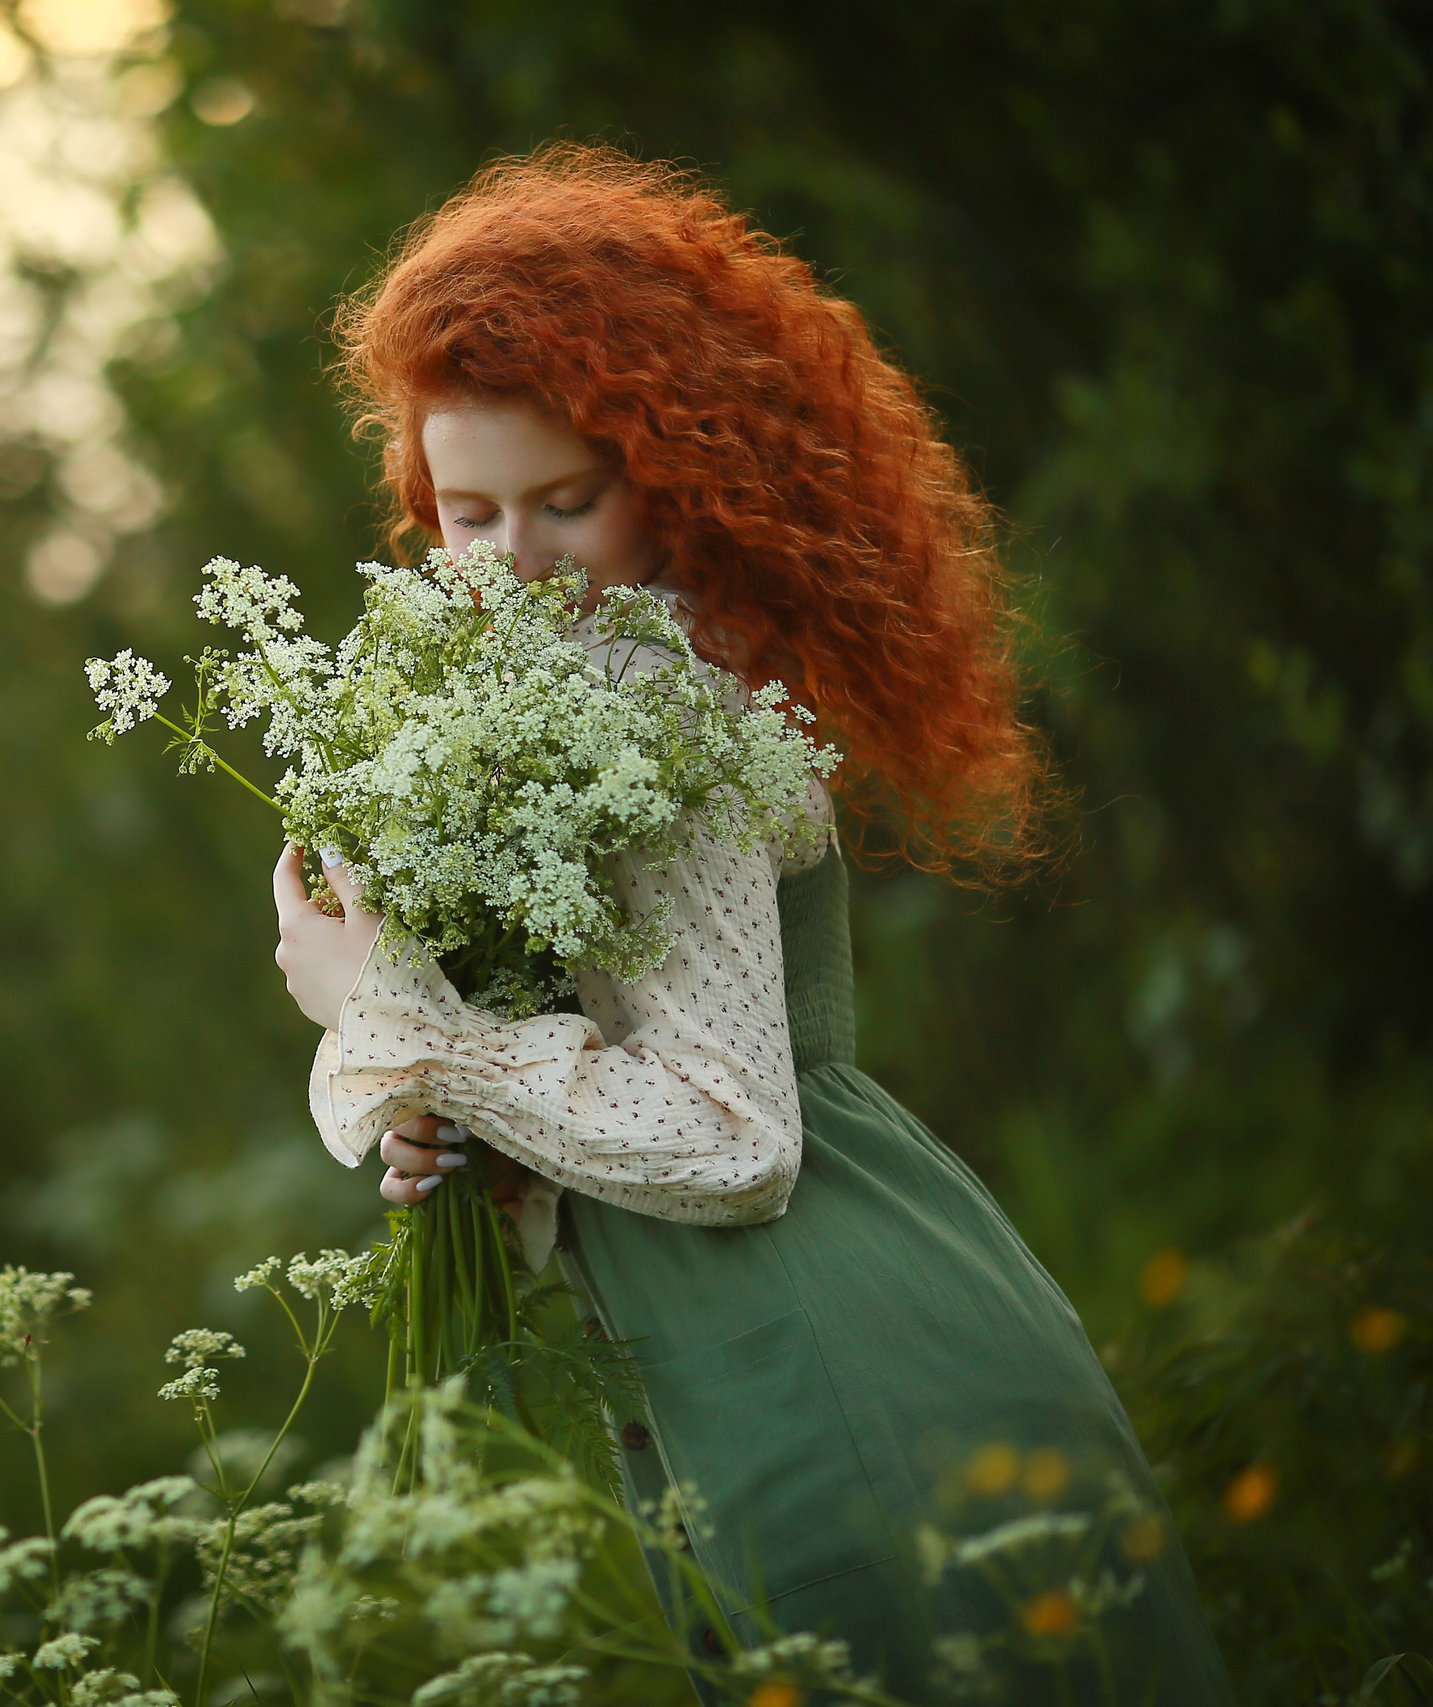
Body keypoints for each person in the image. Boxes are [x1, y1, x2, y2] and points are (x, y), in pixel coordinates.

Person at [267, 146, 1232, 1702]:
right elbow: (592, 1078)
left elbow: (730, 1143)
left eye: (568, 503)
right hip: (738, 1365)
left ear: (676, 483)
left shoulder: (672, 715)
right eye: (467, 516)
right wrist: (454, 1120)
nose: (517, 565)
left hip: (824, 1361)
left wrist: (395, 1011)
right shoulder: (526, 726)